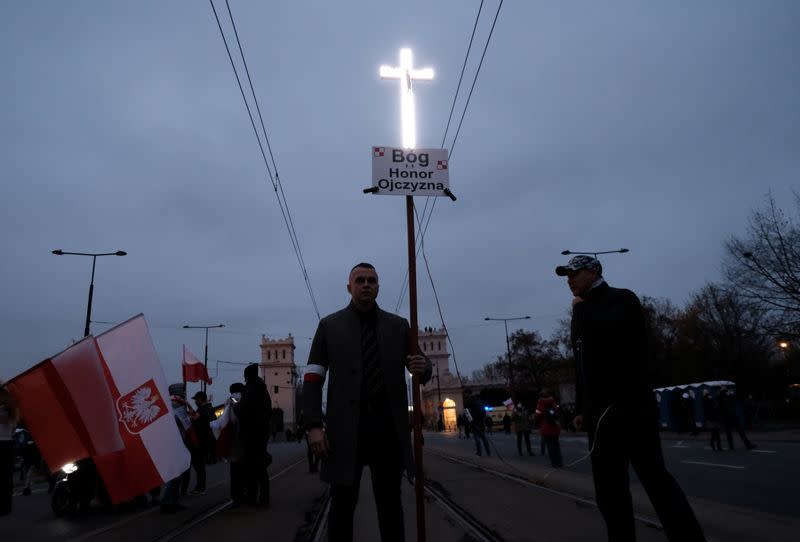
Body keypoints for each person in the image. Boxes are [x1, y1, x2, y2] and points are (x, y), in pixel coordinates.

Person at [557, 255, 705, 541]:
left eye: (574, 273)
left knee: (656, 482)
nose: (569, 280)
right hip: (599, 417)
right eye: (566, 275)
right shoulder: (583, 312)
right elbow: (582, 363)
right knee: (609, 493)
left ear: (594, 271)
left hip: (631, 410)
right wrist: (580, 408)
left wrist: (579, 312)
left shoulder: (621, 299)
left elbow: (608, 334)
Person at [303, 262, 432, 542]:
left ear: (378, 287)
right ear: (349, 287)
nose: (366, 285)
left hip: (387, 431)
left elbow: (422, 367)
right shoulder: (329, 326)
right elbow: (313, 380)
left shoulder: (398, 327)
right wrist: (313, 425)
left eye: (371, 280)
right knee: (341, 507)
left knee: (390, 508)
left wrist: (425, 366)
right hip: (344, 433)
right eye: (359, 280)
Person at [235, 364, 272, 507]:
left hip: (251, 434)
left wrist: (235, 406)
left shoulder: (250, 389)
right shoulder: (262, 389)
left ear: (247, 376)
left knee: (252, 467)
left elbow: (243, 409)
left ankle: (253, 497)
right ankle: (263, 498)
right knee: (260, 467)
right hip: (262, 432)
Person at [189, 391, 216, 495]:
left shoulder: (203, 410)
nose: (195, 401)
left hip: (200, 441)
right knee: (199, 465)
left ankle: (200, 487)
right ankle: (200, 487)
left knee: (198, 465)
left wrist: (192, 419)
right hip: (205, 440)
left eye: (196, 399)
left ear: (200, 399)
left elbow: (200, 424)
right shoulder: (209, 408)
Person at [1, 382, 19, 516]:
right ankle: (5, 506)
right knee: (6, 477)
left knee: (6, 477)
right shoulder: (12, 409)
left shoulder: (8, 409)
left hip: (5, 444)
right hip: (7, 444)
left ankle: (5, 506)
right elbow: (13, 426)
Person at [718, 387, 756, 451]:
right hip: (729, 416)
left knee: (734, 431)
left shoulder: (726, 397)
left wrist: (730, 394)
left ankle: (735, 446)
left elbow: (735, 398)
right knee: (737, 431)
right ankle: (746, 444)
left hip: (730, 416)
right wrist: (729, 394)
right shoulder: (722, 397)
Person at [534, 390, 563, 467]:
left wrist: (536, 423)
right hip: (555, 427)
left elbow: (537, 416)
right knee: (556, 446)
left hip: (546, 428)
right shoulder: (552, 403)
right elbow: (557, 413)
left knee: (550, 446)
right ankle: (559, 462)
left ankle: (554, 463)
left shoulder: (540, 404)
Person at [463, 388, 491, 457]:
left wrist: (470, 422)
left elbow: (467, 413)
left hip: (474, 422)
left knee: (477, 438)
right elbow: (483, 411)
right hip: (480, 421)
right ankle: (488, 452)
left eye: (465, 394)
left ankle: (479, 452)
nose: (464, 395)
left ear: (467, 394)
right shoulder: (478, 400)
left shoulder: (467, 402)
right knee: (484, 437)